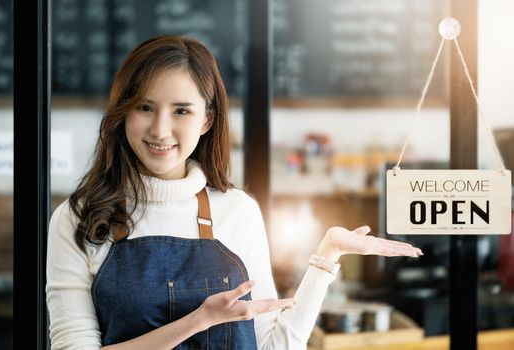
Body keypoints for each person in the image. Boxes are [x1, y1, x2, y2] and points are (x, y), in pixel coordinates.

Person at [46, 35, 423, 350]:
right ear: (123, 111)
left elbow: (273, 345)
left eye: (181, 111)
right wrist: (199, 320)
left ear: (207, 119)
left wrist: (328, 255)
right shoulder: (79, 219)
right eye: (145, 107)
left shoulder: (237, 211)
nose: (160, 130)